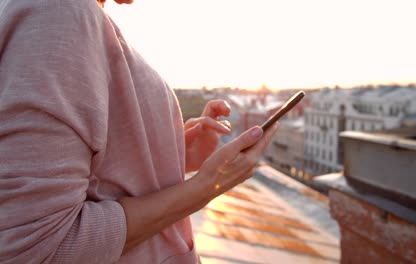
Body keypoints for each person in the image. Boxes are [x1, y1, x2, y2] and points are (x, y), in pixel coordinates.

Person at [0, 0, 278, 263]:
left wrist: (173, 153)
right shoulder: (58, 14)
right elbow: (36, 248)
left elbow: (90, 173)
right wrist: (205, 187)